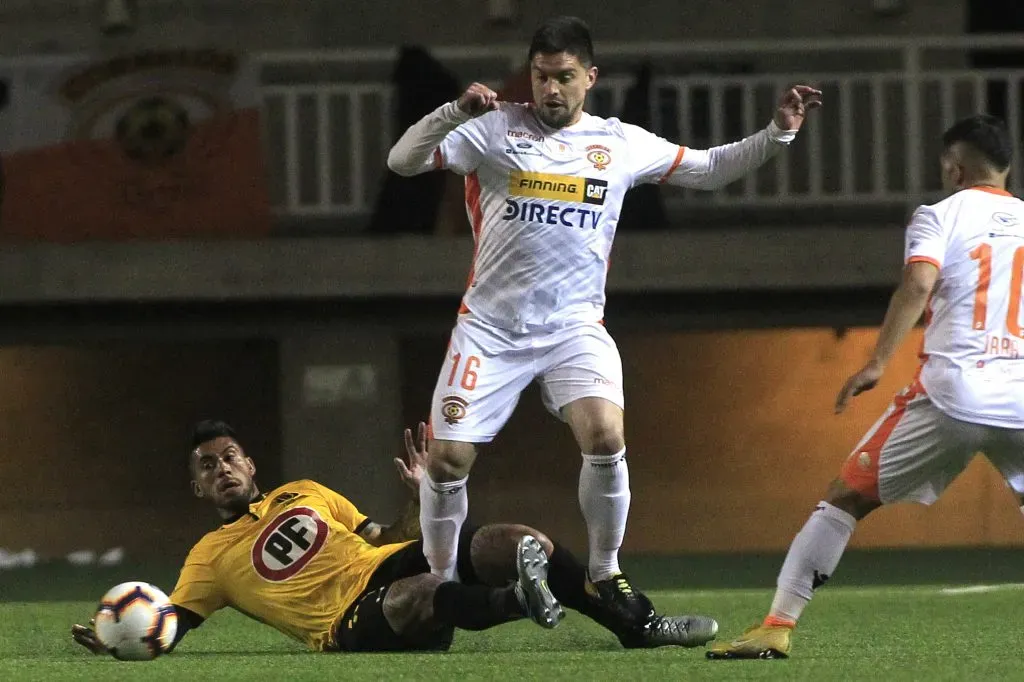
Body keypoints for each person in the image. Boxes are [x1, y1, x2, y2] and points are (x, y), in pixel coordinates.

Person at [386, 14, 822, 630]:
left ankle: (604, 571)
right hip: (490, 329)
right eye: (541, 77)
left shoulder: (619, 144)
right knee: (448, 462)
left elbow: (707, 168)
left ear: (590, 77)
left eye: (565, 77)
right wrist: (454, 110)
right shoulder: (491, 130)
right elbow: (403, 161)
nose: (551, 90)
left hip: (573, 330)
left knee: (606, 438)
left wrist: (777, 133)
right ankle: (439, 582)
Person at [707, 114, 1024, 660]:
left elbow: (920, 281)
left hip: (953, 393)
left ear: (954, 166)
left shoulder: (939, 215)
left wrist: (878, 361)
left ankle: (777, 626)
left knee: (844, 499)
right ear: (1007, 168)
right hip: (1021, 397)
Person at [72, 419, 717, 655]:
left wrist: (421, 501)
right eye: (207, 467)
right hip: (347, 621)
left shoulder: (307, 491)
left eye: (230, 456)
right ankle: (521, 602)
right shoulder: (207, 560)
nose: (222, 469)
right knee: (423, 592)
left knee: (514, 538)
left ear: (252, 465)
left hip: (382, 562)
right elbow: (174, 622)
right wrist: (121, 638)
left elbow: (386, 534)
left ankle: (631, 622)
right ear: (198, 490)